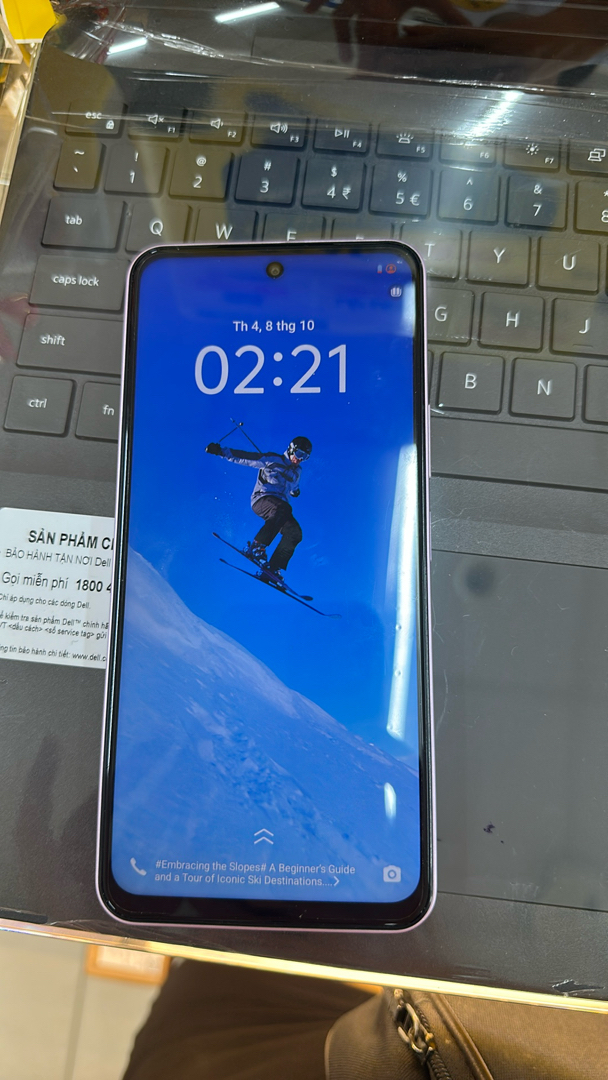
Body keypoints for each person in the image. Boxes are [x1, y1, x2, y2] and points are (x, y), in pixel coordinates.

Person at [205, 435, 312, 582]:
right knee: (284, 508)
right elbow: (246, 457)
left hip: (280, 511)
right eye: (299, 454)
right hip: (262, 500)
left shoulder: (297, 472)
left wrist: (295, 491)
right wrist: (221, 451)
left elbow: (294, 487)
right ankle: (257, 546)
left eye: (305, 457)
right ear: (291, 449)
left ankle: (272, 569)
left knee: (295, 532)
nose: (299, 459)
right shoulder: (273, 460)